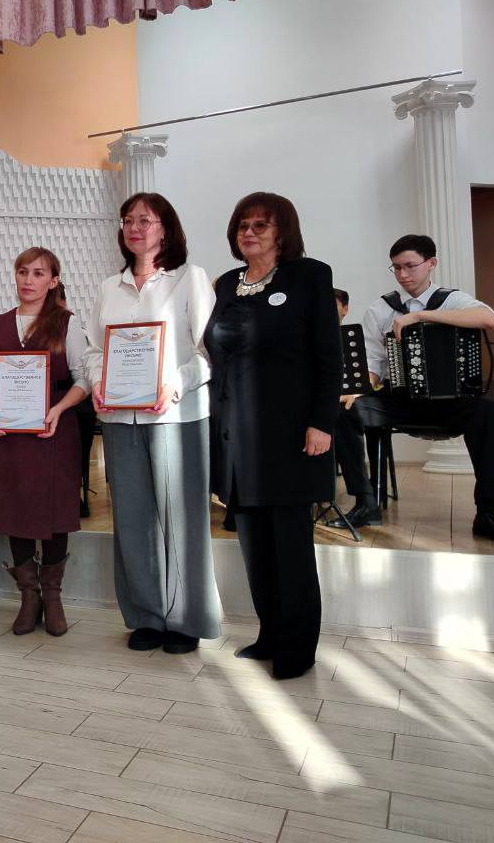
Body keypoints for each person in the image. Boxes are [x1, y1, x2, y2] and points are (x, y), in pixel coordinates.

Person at [203, 191, 340, 680]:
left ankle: (298, 649)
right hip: (236, 438)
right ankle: (271, 634)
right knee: (255, 546)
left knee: (290, 547)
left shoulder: (309, 276)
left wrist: (322, 422)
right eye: (243, 225)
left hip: (290, 435)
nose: (249, 232)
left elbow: (329, 355)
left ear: (283, 231)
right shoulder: (227, 284)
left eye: (261, 225)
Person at [85, 192, 221, 656]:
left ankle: (186, 619)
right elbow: (93, 350)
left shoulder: (190, 278)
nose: (135, 228)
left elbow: (208, 352)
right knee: (132, 519)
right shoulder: (110, 286)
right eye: (128, 220)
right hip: (120, 417)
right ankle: (145, 614)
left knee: (181, 520)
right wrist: (97, 380)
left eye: (145, 220)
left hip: (176, 415)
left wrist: (175, 385)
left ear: (166, 228)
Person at [339, 235, 494, 543]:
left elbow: (489, 318)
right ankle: (365, 502)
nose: (403, 274)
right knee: (343, 409)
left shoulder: (452, 300)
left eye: (410, 266)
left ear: (431, 263)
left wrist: (420, 315)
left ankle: (487, 513)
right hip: (399, 399)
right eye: (396, 267)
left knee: (490, 413)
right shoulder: (381, 308)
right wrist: (358, 388)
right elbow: (374, 364)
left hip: (451, 401)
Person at [0, 248, 90, 636]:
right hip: (10, 433)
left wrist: (59, 409)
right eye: (23, 271)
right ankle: (29, 597)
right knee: (16, 508)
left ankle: (53, 596)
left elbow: (84, 378)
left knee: (55, 509)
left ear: (53, 280)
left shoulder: (67, 323)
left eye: (39, 273)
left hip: (53, 429)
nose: (29, 280)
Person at [330, 287, 382, 526]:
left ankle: (365, 501)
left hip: (355, 399)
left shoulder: (360, 339)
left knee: (344, 413)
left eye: (333, 306)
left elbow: (373, 375)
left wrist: (354, 391)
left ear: (345, 309)